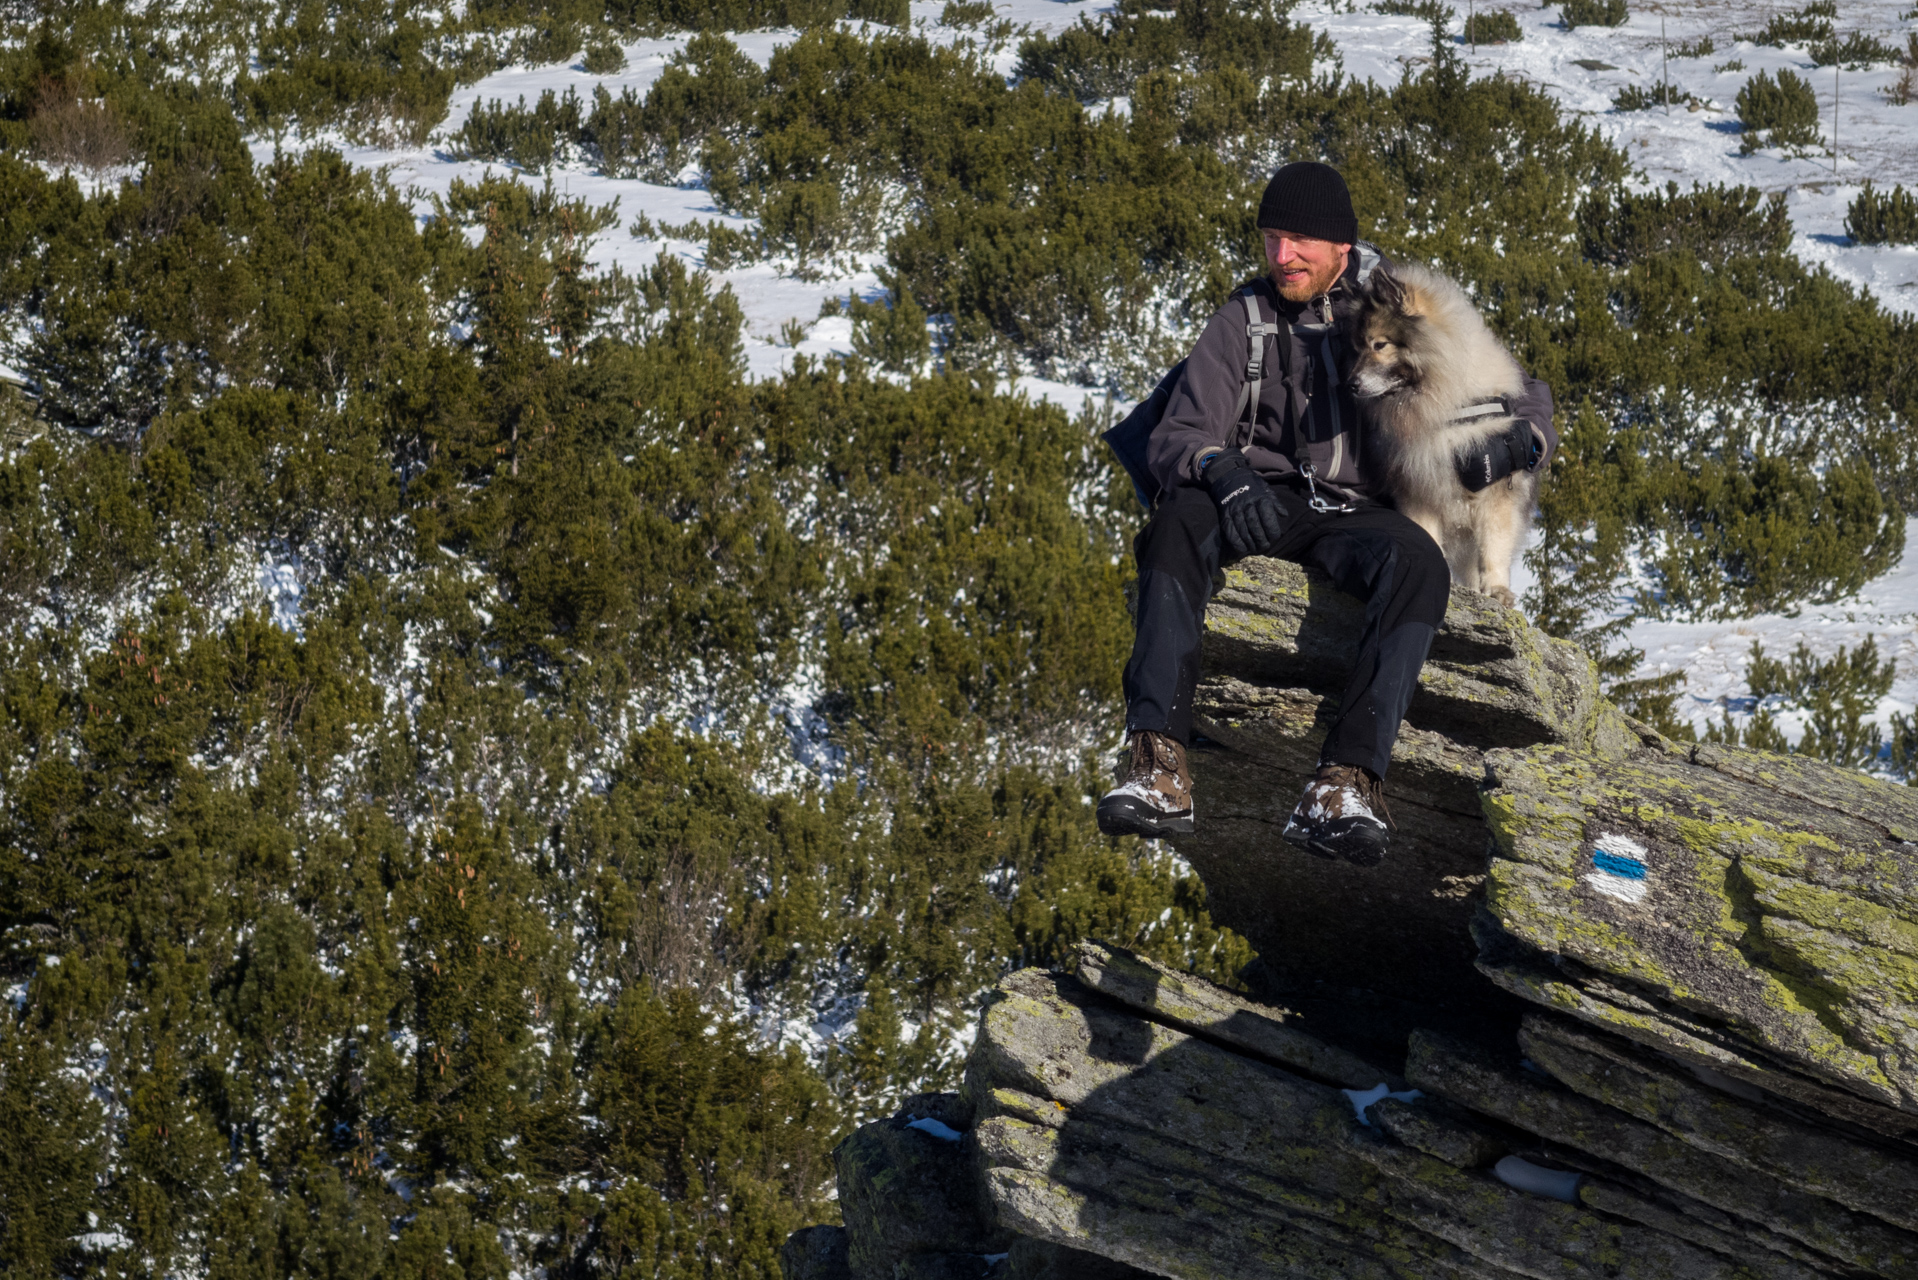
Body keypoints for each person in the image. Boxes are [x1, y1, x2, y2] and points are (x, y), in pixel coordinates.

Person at [1095, 161, 1555, 866]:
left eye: (1301, 240)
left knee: (1418, 563)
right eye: (1272, 238)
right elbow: (1180, 434)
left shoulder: (1389, 308)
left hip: (1355, 516)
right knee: (1176, 523)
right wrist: (1223, 470)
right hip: (1255, 502)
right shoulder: (1241, 321)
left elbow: (1516, 388)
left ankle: (1345, 784)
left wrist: (1525, 440)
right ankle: (1157, 765)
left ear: (1342, 246)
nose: (1283, 256)